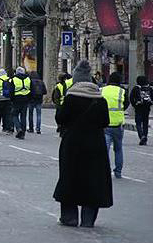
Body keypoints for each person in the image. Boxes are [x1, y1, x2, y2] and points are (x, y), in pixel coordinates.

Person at [53, 60, 112, 228]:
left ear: (76, 79)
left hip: (73, 144)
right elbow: (105, 122)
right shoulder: (100, 100)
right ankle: (88, 219)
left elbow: (60, 118)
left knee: (69, 178)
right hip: (95, 145)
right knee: (93, 180)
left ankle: (69, 217)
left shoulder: (71, 98)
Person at [101, 72, 129, 179]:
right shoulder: (122, 91)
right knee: (118, 149)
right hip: (118, 124)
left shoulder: (102, 90)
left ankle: (105, 170)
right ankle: (118, 171)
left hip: (105, 124)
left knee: (105, 150)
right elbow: (126, 104)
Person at [129, 76, 151, 145]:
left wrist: (134, 105)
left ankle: (141, 136)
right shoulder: (149, 88)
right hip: (147, 108)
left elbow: (131, 97)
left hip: (138, 108)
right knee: (145, 123)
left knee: (138, 123)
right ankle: (145, 136)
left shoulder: (136, 88)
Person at [11, 66, 31, 139]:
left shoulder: (14, 79)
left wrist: (12, 99)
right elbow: (31, 89)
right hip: (25, 99)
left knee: (14, 115)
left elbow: (11, 90)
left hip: (16, 99)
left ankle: (18, 128)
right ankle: (23, 132)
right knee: (23, 116)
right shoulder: (28, 79)